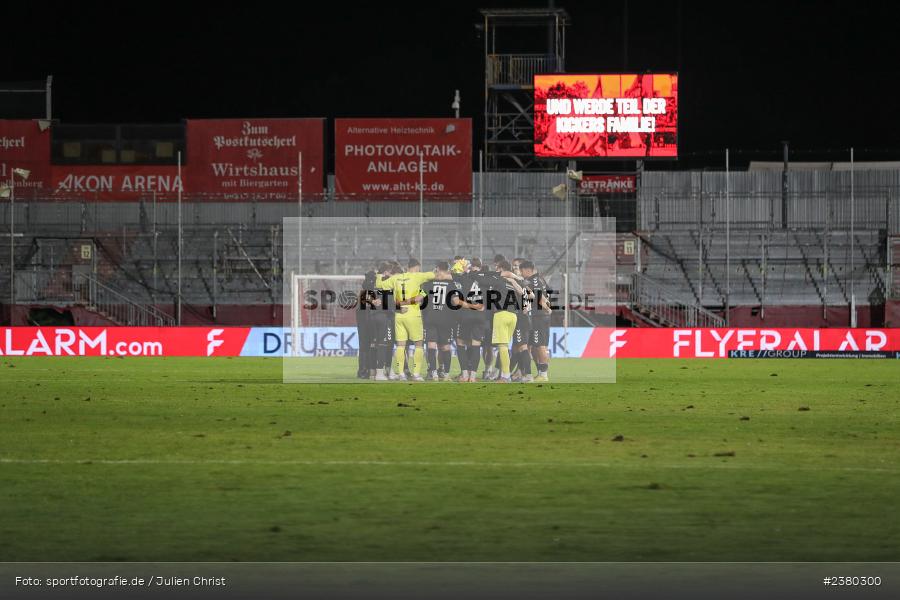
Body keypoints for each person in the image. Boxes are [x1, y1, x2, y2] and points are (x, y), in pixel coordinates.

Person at [377, 258, 435, 381]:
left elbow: (379, 285)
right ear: (417, 266)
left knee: (400, 345)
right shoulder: (417, 276)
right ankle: (416, 374)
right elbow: (434, 275)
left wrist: (379, 274)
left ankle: (401, 373)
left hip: (399, 315)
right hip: (413, 314)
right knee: (418, 344)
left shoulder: (395, 278)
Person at [422, 261, 480, 381]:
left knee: (431, 345)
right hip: (446, 319)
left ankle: (433, 374)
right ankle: (446, 374)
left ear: (437, 268)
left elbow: (420, 298)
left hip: (431, 318)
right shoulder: (451, 284)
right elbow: (456, 301)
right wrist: (473, 306)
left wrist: (404, 303)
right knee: (446, 347)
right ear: (447, 270)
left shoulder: (428, 283)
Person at [520, 261, 553, 382]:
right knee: (535, 345)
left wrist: (547, 308)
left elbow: (539, 297)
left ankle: (544, 375)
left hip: (539, 316)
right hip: (539, 316)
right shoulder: (541, 279)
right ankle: (540, 372)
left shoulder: (533, 281)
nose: (522, 274)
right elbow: (548, 293)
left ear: (528, 270)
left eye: (522, 271)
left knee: (540, 345)